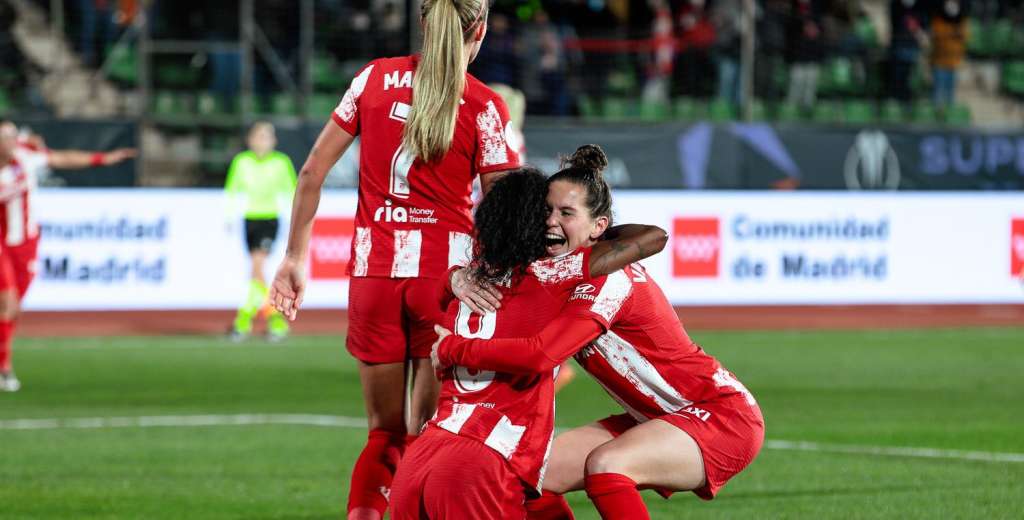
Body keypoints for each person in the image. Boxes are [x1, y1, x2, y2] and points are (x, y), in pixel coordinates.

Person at [267, 1, 521, 518]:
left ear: (424, 23)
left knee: (383, 433)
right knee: (427, 435)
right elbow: (505, 209)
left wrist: (295, 256)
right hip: (446, 284)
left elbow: (312, 172)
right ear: (482, 29)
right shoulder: (483, 104)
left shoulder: (372, 80)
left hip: (374, 278)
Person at [433, 147, 764, 519]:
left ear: (599, 227)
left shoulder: (608, 280)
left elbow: (542, 355)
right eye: (547, 210)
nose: (550, 222)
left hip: (718, 415)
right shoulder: (562, 270)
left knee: (607, 465)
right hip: (654, 415)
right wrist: (454, 277)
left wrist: (454, 350)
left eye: (566, 214)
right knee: (527, 473)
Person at [389, 158, 668, 520]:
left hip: (422, 458)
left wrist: (452, 279)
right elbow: (652, 238)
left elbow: (420, 296)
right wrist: (597, 229)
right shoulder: (553, 275)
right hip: (483, 461)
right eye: (547, 214)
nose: (553, 221)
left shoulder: (466, 277)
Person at [0, 120, 136, 392]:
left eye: (13, 136)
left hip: (26, 244)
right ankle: (4, 367)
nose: (11, 141)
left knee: (13, 309)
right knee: (7, 302)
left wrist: (102, 158)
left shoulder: (27, 155)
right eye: (5, 137)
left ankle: (4, 362)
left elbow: (64, 158)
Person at [224, 122, 296, 342]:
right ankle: (273, 320)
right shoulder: (242, 161)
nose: (262, 141)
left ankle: (244, 321)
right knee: (256, 273)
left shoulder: (282, 162)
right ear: (250, 140)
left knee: (257, 267)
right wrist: (228, 216)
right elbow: (232, 190)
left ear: (273, 141)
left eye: (266, 137)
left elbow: (293, 191)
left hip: (269, 219)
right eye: (258, 136)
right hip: (249, 220)